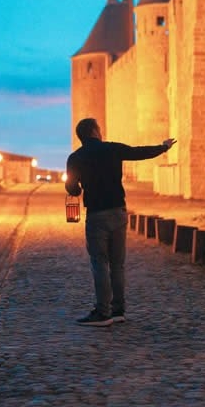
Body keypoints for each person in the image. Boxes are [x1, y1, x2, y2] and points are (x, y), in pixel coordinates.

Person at [64, 118, 175, 327]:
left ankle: (102, 312)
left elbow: (72, 187)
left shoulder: (76, 157)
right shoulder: (113, 149)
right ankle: (118, 310)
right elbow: (138, 152)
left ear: (81, 136)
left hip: (97, 215)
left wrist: (78, 190)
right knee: (117, 264)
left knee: (99, 263)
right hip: (118, 212)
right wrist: (163, 147)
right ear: (96, 131)